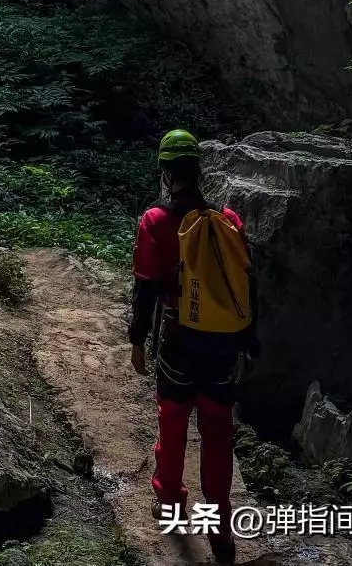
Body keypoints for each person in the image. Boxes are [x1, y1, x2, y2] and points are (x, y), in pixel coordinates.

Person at [127, 128, 259, 565]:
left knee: (174, 420)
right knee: (218, 432)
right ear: (198, 170)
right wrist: (249, 340)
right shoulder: (227, 219)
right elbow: (245, 283)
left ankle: (169, 504)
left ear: (166, 172)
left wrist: (137, 342)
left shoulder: (156, 221)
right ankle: (220, 528)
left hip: (179, 338)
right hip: (222, 346)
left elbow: (145, 290)